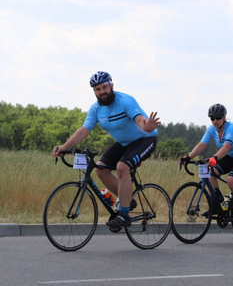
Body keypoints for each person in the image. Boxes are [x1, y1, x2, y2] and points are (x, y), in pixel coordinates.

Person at [52, 71, 160, 228]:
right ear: (94, 91)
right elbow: (84, 130)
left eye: (104, 87)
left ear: (111, 86)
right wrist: (64, 147)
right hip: (124, 143)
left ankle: (124, 216)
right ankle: (127, 200)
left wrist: (147, 126)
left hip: (145, 139)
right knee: (100, 169)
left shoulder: (125, 101)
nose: (102, 92)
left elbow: (140, 119)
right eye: (97, 89)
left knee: (122, 167)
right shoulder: (96, 109)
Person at [179, 104, 233, 225]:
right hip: (230, 156)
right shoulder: (212, 129)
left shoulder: (231, 128)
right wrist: (188, 157)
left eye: (218, 118)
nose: (215, 121)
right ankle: (217, 201)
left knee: (231, 180)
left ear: (224, 117)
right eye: (212, 118)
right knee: (211, 173)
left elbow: (227, 146)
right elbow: (202, 144)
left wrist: (214, 158)